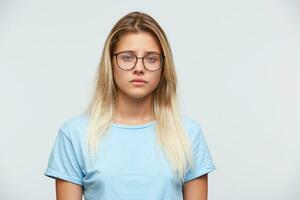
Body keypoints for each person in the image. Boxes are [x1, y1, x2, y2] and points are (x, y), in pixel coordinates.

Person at [44, 11, 216, 200]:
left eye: (151, 58)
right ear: (110, 63)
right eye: (127, 57)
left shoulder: (188, 133)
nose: (139, 68)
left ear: (163, 66)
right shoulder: (74, 135)